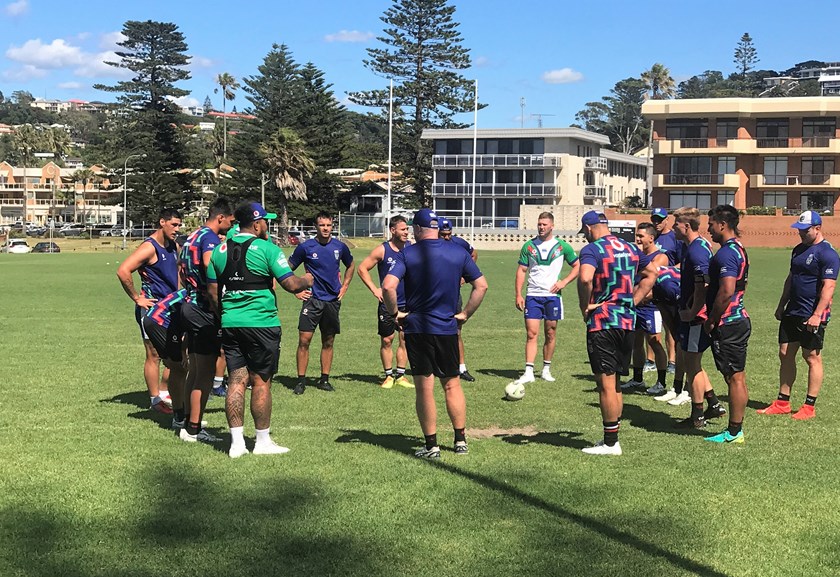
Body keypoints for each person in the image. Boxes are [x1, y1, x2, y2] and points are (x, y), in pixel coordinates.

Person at [206, 202, 313, 458]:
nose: (267, 224)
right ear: (256, 224)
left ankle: (236, 443)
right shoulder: (268, 248)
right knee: (261, 381)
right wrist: (306, 280)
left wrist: (225, 315)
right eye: (265, 220)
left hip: (231, 323)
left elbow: (212, 292)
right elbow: (290, 284)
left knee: (236, 379)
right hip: (262, 323)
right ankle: (262, 441)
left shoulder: (219, 250)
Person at [382, 208, 487, 459]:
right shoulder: (458, 252)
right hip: (447, 328)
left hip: (419, 328)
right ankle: (460, 441)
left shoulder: (407, 253)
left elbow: (388, 286)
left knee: (425, 388)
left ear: (418, 229)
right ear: (437, 228)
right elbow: (481, 286)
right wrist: (465, 314)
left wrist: (395, 313)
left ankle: (432, 446)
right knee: (452, 384)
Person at [577, 211, 656, 456]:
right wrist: (634, 299)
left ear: (588, 228)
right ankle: (613, 437)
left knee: (606, 384)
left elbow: (585, 278)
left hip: (603, 321)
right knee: (616, 383)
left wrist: (585, 306)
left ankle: (611, 443)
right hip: (627, 321)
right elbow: (652, 273)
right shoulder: (631, 248)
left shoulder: (592, 250)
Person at [759, 210, 840, 420]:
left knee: (811, 357)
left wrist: (817, 315)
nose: (801, 233)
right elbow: (790, 279)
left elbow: (829, 287)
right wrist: (781, 305)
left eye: (805, 230)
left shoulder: (828, 253)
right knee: (785, 353)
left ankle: (809, 406)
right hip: (792, 311)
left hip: (811, 314)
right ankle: (782, 402)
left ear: (817, 228)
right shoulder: (798, 250)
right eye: (799, 230)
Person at [177, 198, 234, 442]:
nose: (231, 226)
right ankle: (193, 429)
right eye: (230, 221)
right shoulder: (209, 239)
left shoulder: (193, 235)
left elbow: (181, 270)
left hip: (189, 304)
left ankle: (188, 422)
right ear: (220, 218)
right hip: (202, 308)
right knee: (205, 373)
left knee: (196, 369)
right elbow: (212, 266)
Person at [116, 208, 183, 414]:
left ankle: (164, 390)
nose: (177, 229)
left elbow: (177, 272)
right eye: (174, 225)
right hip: (152, 310)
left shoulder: (173, 246)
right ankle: (155, 400)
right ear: (162, 222)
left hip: (172, 306)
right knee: (154, 354)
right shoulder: (149, 247)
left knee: (178, 352)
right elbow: (123, 270)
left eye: (179, 225)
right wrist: (137, 298)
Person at [289, 212, 355, 394]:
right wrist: (296, 290)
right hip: (312, 300)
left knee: (328, 341)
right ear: (316, 227)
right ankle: (301, 381)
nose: (325, 228)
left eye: (328, 225)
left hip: (332, 301)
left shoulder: (340, 247)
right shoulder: (305, 247)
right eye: (322, 225)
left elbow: (351, 265)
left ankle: (324, 379)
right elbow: (287, 269)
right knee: (304, 340)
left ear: (332, 226)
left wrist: (345, 286)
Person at [671, 207, 726, 429]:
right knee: (690, 360)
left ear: (686, 226)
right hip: (692, 315)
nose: (673, 227)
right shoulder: (696, 246)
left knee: (691, 364)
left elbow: (704, 284)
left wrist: (693, 312)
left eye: (676, 224)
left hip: (696, 318)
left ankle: (697, 416)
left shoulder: (696, 251)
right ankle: (713, 404)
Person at [512, 211, 579, 385]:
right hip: (533, 295)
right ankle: (528, 371)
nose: (541, 227)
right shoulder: (528, 246)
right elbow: (521, 270)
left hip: (552, 297)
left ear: (552, 226)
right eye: (539, 224)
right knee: (531, 333)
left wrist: (564, 282)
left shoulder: (562, 246)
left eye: (544, 224)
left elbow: (577, 266)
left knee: (550, 333)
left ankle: (546, 369)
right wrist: (518, 294)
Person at [703, 205, 751, 443]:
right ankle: (735, 430)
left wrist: (712, 319)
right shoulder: (738, 249)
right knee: (735, 376)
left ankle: (734, 432)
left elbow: (727, 290)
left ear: (722, 225)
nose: (708, 229)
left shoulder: (726, 253)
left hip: (728, 323)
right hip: (737, 319)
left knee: (734, 377)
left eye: (711, 224)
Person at [357, 215, 414, 389]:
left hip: (409, 303)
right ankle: (389, 376)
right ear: (392, 230)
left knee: (405, 339)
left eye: (407, 229)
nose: (406, 232)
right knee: (387, 340)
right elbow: (362, 268)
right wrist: (375, 289)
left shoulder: (412, 248)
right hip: (388, 304)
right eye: (403, 229)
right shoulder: (382, 250)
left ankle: (401, 375)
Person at [623, 222, 669, 393]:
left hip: (651, 307)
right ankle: (638, 379)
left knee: (654, 342)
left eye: (641, 236)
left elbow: (651, 278)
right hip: (636, 305)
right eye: (636, 235)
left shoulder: (661, 257)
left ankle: (661, 382)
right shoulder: (638, 255)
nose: (637, 239)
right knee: (636, 343)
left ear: (651, 238)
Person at [439, 218, 479, 382]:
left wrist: (465, 275)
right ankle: (434, 366)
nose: (447, 237)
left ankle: (461, 368)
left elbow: (474, 254)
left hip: (453, 295)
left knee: (456, 331)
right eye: (443, 234)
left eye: (449, 234)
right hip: (432, 295)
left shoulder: (458, 243)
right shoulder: (429, 246)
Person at [650, 265, 688, 402]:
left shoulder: (667, 286)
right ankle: (677, 389)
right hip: (678, 307)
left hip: (691, 310)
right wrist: (675, 332)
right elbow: (664, 312)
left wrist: (682, 333)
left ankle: (688, 391)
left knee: (689, 354)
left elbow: (684, 305)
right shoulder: (654, 286)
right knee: (680, 347)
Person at [651, 207, 681, 374]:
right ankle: (650, 360)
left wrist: (667, 271)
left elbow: (683, 262)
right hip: (651, 285)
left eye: (660, 219)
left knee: (669, 325)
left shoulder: (674, 237)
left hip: (669, 285)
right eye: (654, 219)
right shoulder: (650, 236)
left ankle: (672, 360)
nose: (657, 223)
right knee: (651, 325)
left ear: (667, 220)